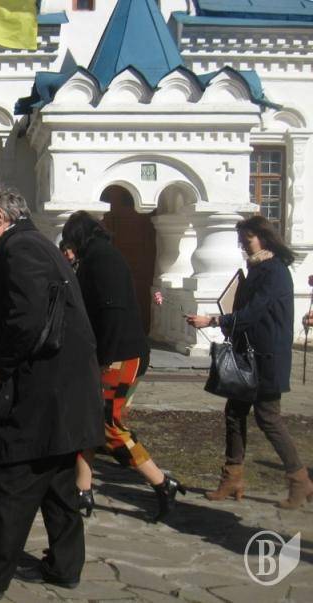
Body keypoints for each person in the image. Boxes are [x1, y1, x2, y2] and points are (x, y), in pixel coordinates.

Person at [0, 185, 104, 599]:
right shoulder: (39, 243)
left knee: (13, 479)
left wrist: (0, 366)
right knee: (58, 481)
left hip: (44, 390)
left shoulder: (20, 248)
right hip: (66, 389)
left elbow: (24, 320)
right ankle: (65, 566)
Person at [61, 211, 185, 521]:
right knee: (89, 419)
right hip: (112, 354)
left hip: (120, 355)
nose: (69, 248)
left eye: (70, 241)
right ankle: (82, 488)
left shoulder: (102, 258)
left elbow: (112, 312)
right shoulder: (96, 257)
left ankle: (161, 482)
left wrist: (103, 359)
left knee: (107, 424)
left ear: (79, 237)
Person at [186, 216, 313, 509]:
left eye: (248, 239)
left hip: (267, 358)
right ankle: (232, 477)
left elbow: (254, 312)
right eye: (241, 239)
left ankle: (299, 479)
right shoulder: (257, 269)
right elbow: (244, 309)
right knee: (235, 412)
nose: (244, 244)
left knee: (268, 418)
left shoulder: (274, 271)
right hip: (248, 354)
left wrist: (214, 320)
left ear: (264, 238)